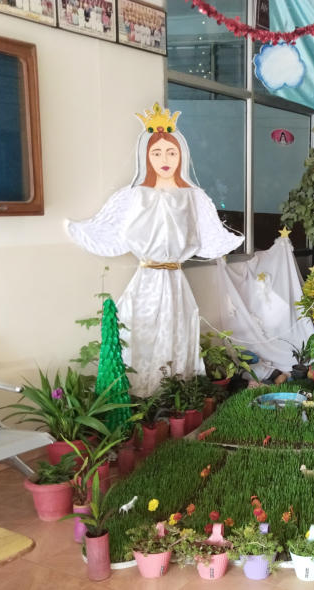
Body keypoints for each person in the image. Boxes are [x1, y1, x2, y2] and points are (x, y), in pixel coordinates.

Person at [66, 104, 243, 396]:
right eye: (157, 153)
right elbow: (111, 228)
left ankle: (177, 392)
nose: (165, 160)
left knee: (177, 331)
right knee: (141, 330)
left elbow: (206, 233)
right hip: (146, 280)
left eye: (171, 153)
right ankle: (140, 394)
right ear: (146, 157)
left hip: (175, 280)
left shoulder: (192, 197)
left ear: (181, 156)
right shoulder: (134, 196)